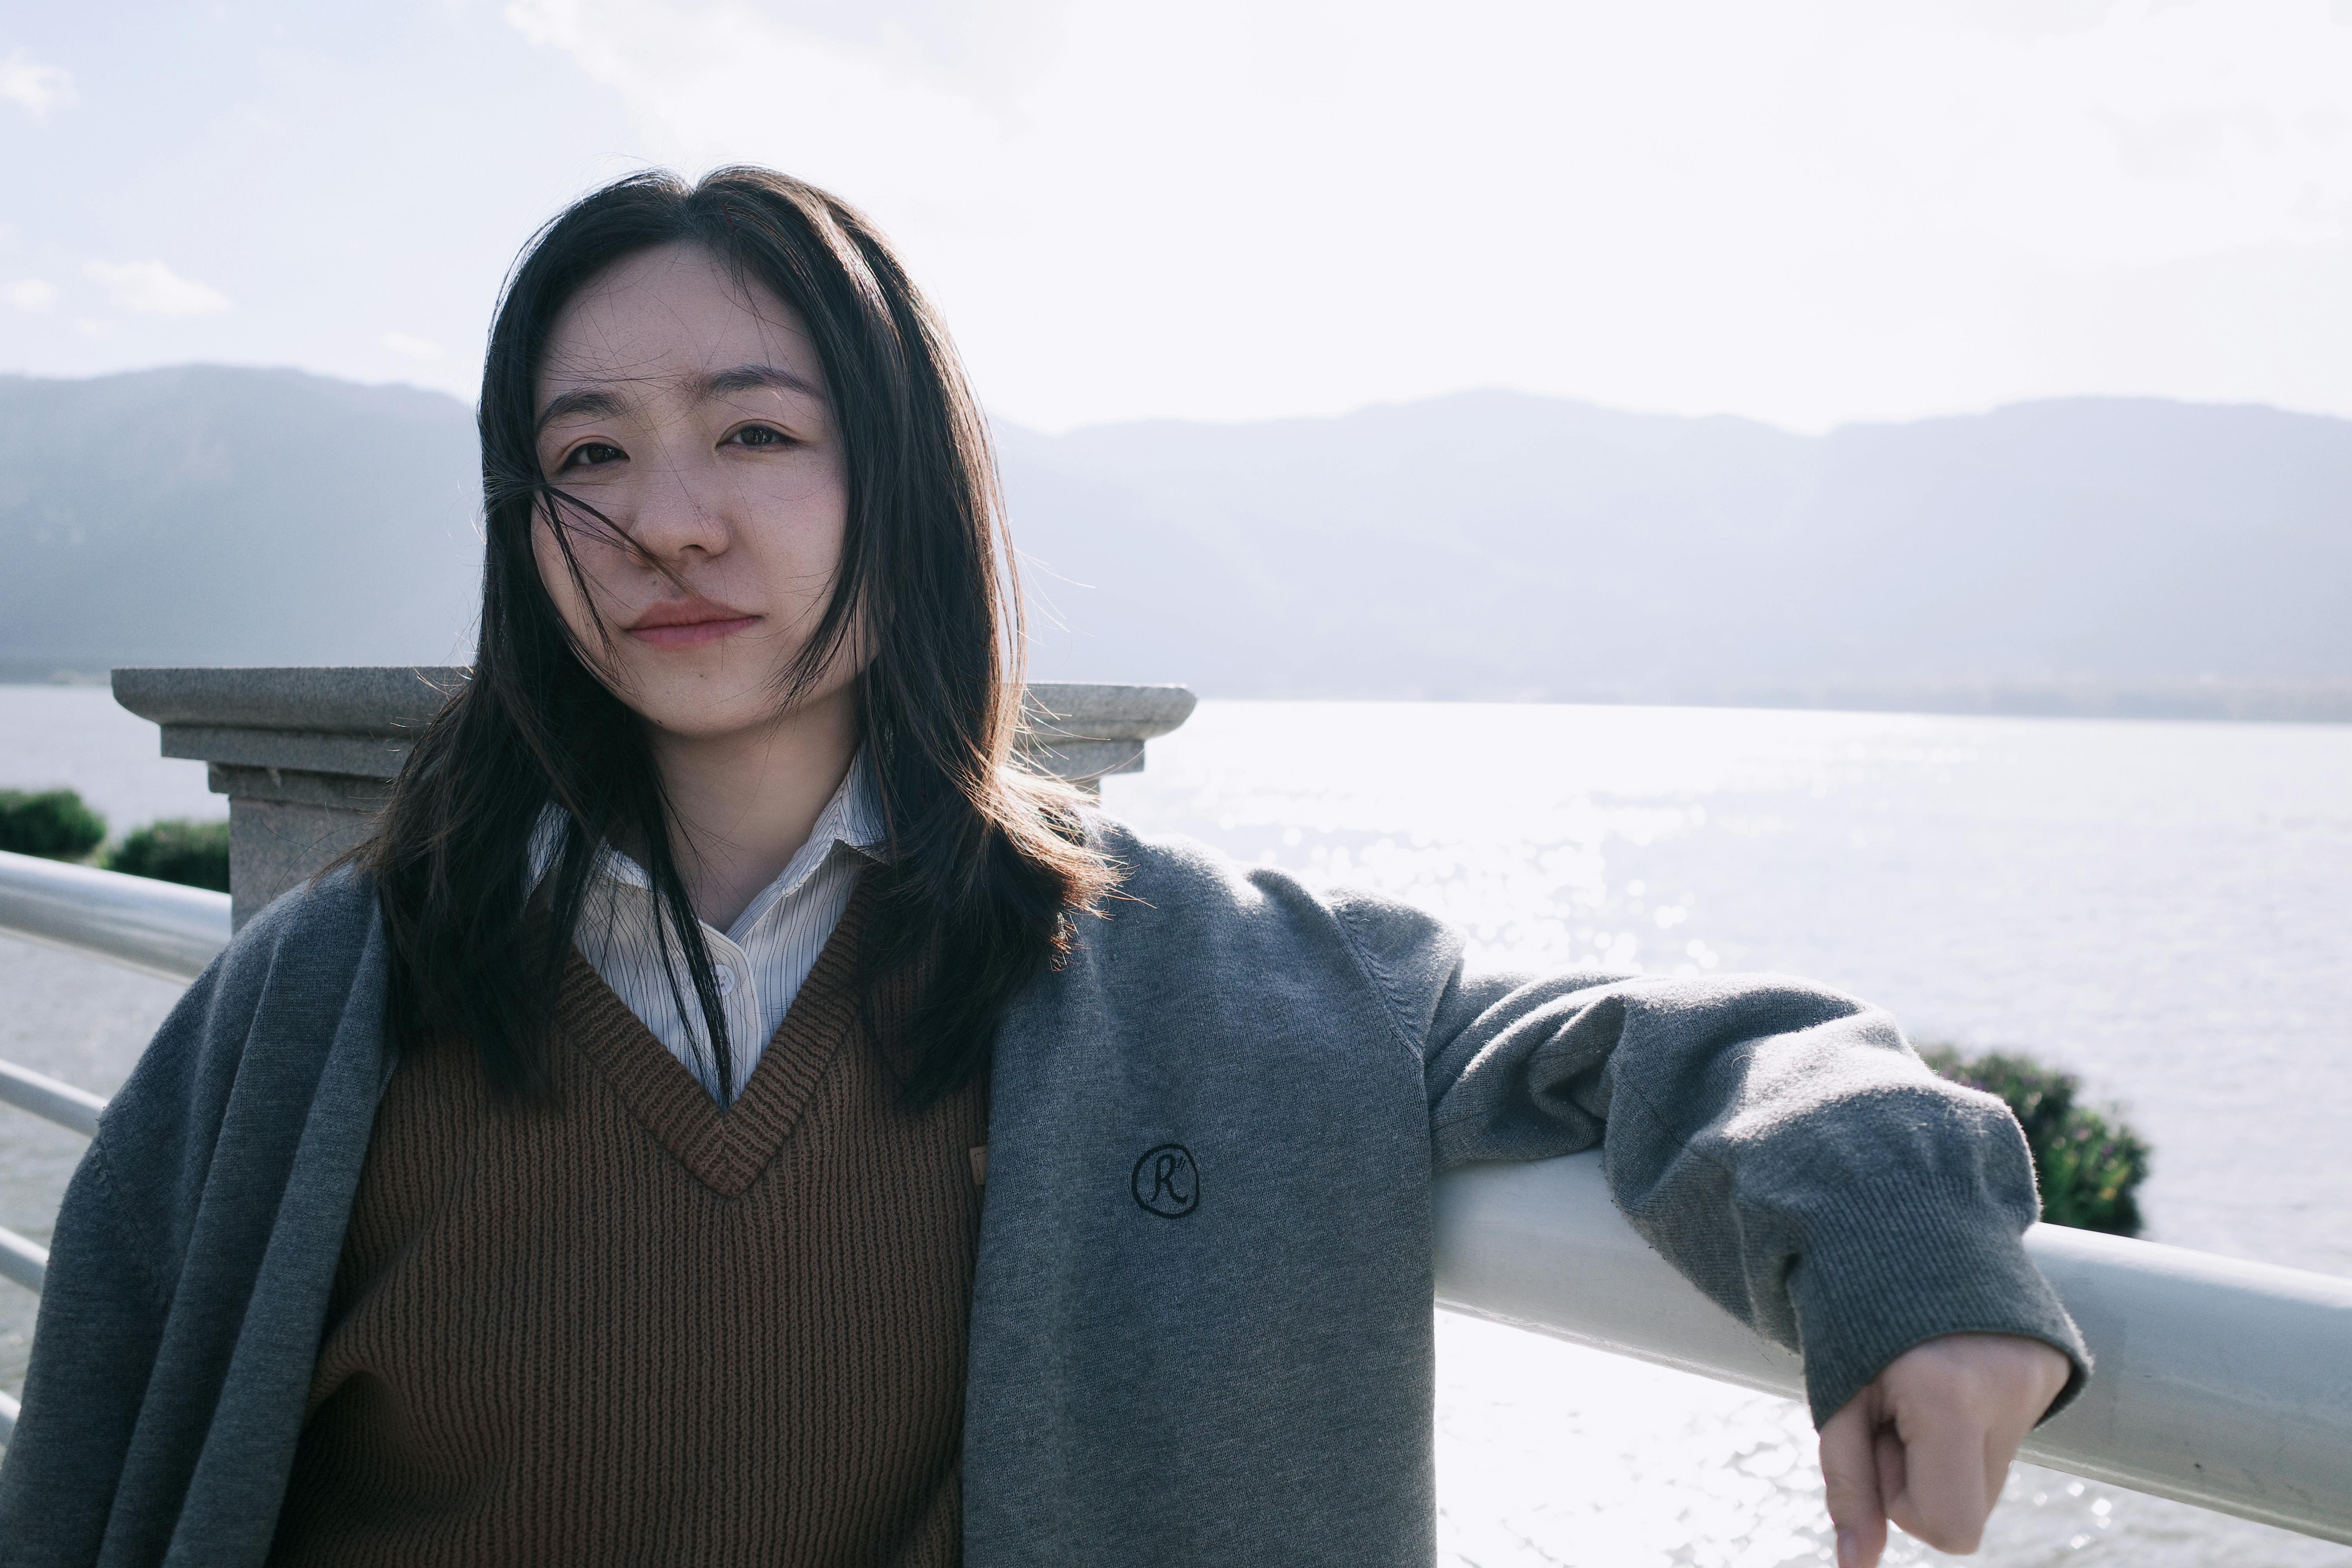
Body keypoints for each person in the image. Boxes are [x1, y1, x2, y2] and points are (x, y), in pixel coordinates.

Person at [0, 168, 2083, 1568]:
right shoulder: (316, 1009)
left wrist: (1901, 1240)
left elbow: (1660, 1041)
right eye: (588, 455)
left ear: (900, 482)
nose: (668, 523)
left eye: (755, 431)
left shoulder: (1196, 975)